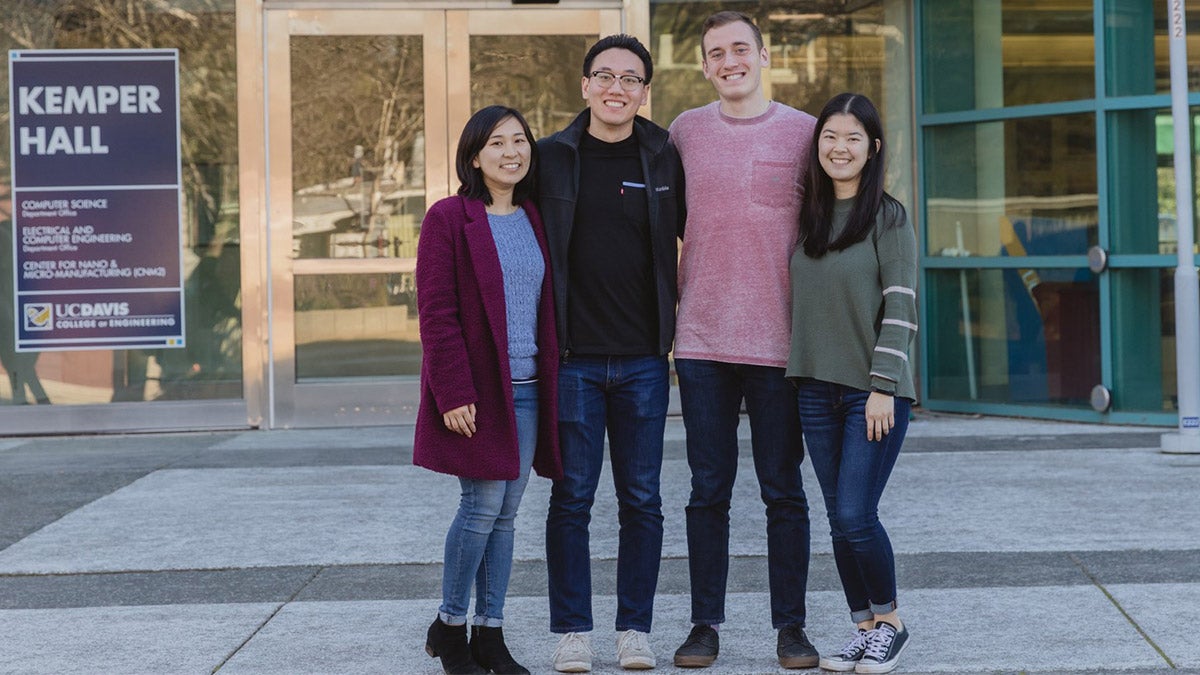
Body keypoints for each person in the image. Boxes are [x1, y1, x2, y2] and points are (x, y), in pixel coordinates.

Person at [667, 11, 818, 670]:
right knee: (708, 490)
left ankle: (791, 627)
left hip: (782, 347)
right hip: (700, 341)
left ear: (763, 55)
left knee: (783, 489)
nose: (728, 61)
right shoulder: (683, 133)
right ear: (704, 65)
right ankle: (705, 623)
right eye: (715, 53)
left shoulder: (806, 133)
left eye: (738, 49)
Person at [537, 34, 685, 673]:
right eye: (605, 76)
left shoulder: (663, 153)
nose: (617, 87)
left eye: (630, 78)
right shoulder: (550, 157)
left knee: (642, 499)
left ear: (644, 91)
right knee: (571, 499)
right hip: (573, 359)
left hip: (645, 360)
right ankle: (572, 630)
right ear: (584, 85)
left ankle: (634, 629)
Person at [415, 105, 562, 675]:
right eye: (497, 143)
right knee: (479, 509)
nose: (511, 152)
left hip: (529, 389)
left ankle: (490, 634)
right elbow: (437, 312)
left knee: (506, 518)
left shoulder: (535, 217)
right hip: (480, 392)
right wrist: (452, 393)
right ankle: (451, 627)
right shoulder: (449, 217)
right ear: (474, 155)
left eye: (520, 141)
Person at [787, 92, 917, 675]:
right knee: (838, 514)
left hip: (872, 391)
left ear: (873, 148)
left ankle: (890, 622)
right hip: (815, 388)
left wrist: (884, 385)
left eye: (853, 139)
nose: (840, 148)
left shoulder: (887, 216)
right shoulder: (808, 216)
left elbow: (902, 305)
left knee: (856, 513)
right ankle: (862, 628)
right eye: (830, 138)